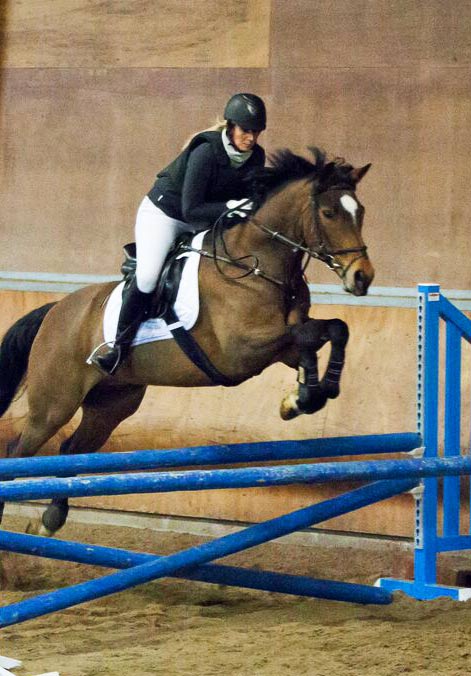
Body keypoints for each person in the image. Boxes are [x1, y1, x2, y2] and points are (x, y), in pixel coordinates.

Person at [88, 93, 267, 375]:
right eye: (246, 130)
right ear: (231, 126)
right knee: (148, 277)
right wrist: (231, 207)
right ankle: (117, 347)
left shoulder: (256, 157)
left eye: (256, 132)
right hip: (165, 215)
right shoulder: (206, 152)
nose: (251, 138)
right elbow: (191, 209)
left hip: (205, 220)